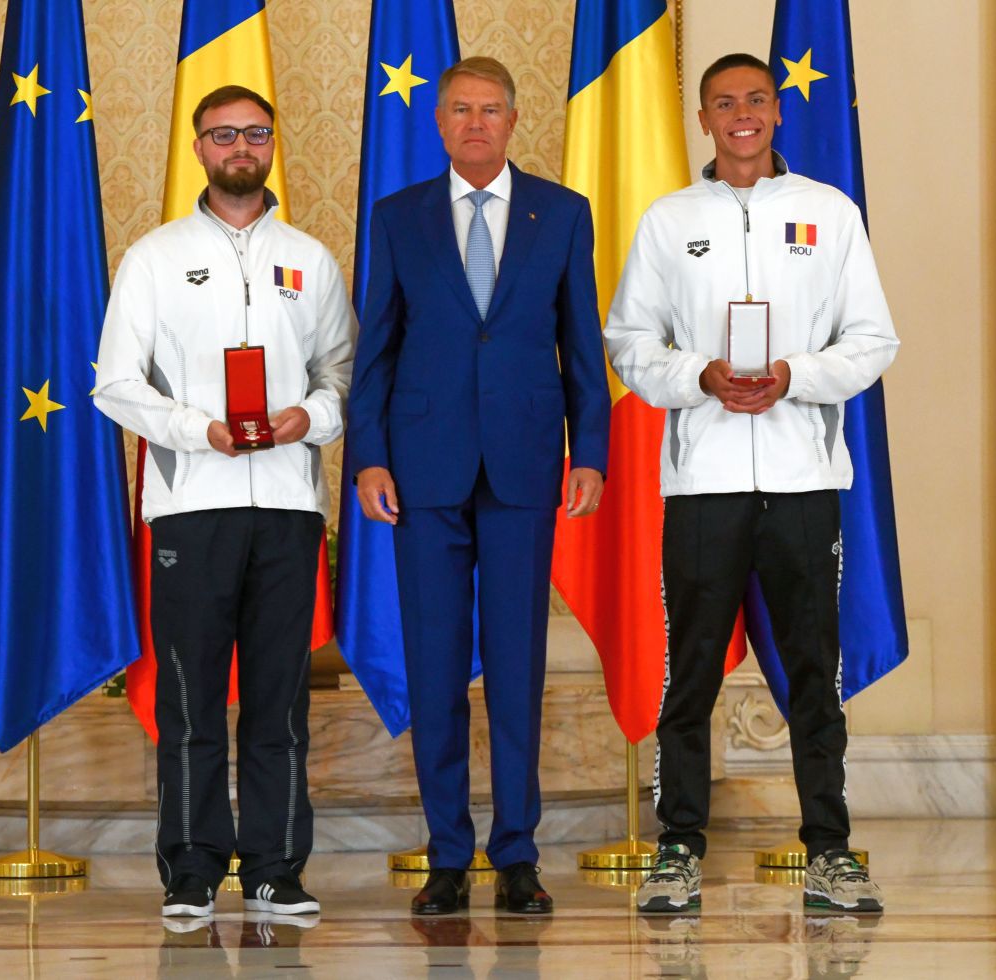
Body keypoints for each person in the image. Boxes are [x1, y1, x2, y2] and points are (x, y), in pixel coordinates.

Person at [604, 53, 897, 916]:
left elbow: (873, 340)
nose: (742, 115)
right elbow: (629, 342)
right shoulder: (669, 221)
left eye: (756, 101)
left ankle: (831, 851)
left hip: (805, 479)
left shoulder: (827, 213)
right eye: (724, 103)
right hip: (704, 483)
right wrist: (699, 377)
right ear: (705, 120)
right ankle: (680, 849)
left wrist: (793, 374)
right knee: (688, 669)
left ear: (776, 113)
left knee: (814, 668)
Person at [348, 57, 610, 916]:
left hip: (527, 466)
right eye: (460, 110)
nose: (475, 123)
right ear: (439, 121)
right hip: (422, 470)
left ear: (513, 118)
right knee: (433, 667)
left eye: (490, 109)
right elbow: (376, 349)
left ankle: (520, 853)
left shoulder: (563, 214)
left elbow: (582, 348)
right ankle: (449, 853)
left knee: (516, 666)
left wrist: (591, 453)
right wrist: (369, 457)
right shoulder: (397, 218)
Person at [94, 84, 356, 919]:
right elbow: (113, 386)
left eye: (255, 133)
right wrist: (193, 430)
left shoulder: (309, 259)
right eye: (223, 135)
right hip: (189, 505)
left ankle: (276, 867)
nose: (240, 146)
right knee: (190, 697)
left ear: (273, 142)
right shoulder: (155, 257)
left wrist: (303, 419)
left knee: (279, 699)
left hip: (286, 505)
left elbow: (343, 378)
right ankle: (193, 870)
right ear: (199, 148)